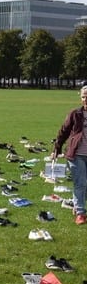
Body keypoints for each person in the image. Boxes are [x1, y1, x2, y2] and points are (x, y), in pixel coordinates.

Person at [51, 84, 87, 225]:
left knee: (84, 183)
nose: (86, 99)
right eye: (84, 97)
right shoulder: (75, 114)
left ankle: (77, 205)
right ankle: (80, 213)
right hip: (76, 154)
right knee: (80, 183)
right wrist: (57, 149)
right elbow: (63, 131)